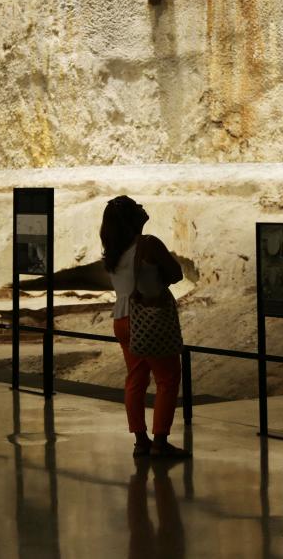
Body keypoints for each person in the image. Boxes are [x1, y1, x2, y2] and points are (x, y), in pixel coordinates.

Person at [100, 195, 190, 459]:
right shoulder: (148, 244)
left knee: (136, 380)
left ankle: (141, 441)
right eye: (136, 206)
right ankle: (160, 441)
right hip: (147, 318)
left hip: (122, 319)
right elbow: (176, 274)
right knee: (167, 378)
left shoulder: (113, 250)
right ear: (131, 218)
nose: (142, 207)